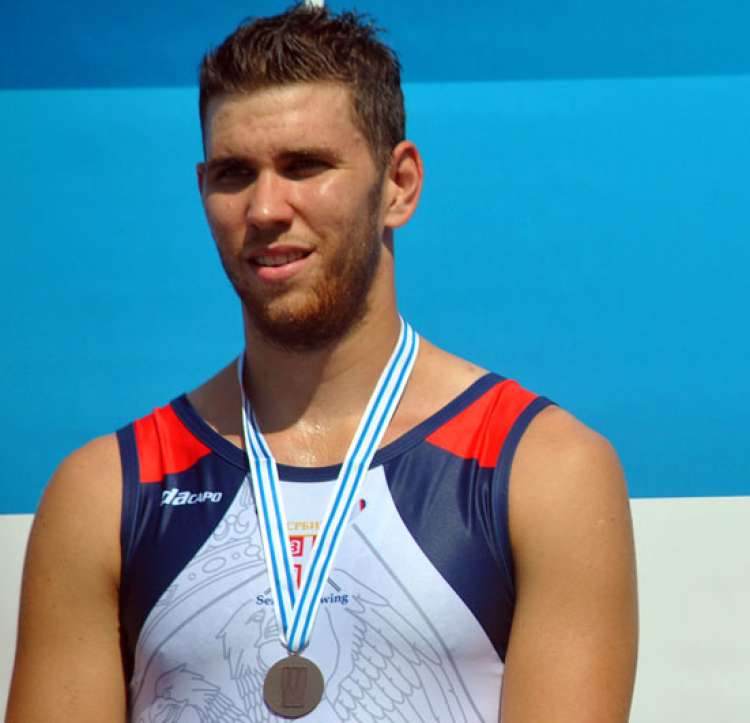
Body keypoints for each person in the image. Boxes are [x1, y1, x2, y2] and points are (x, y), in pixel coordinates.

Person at [6, 4, 638, 722]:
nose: (265, 208)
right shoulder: (107, 492)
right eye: (234, 173)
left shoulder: (543, 470)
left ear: (399, 185)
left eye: (304, 166)